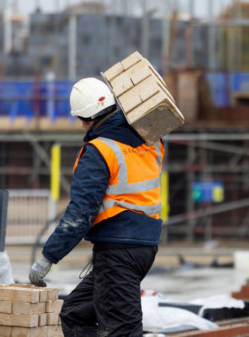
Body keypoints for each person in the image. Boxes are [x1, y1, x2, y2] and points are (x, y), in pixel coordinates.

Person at [29, 77, 164, 336]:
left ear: (87, 119)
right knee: (76, 312)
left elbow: (80, 214)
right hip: (144, 246)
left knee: (122, 331)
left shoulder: (100, 150)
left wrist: (48, 258)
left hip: (118, 252)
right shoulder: (151, 141)